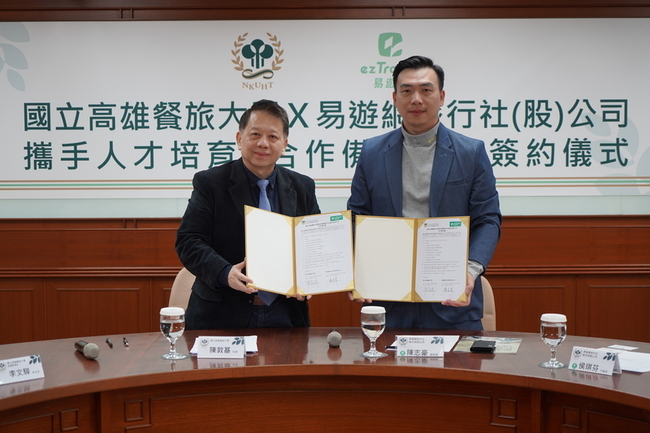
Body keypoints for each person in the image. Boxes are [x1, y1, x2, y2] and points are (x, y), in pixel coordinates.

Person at [347, 55, 501, 330]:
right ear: (395, 98)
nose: (416, 99)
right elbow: (358, 217)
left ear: (441, 97)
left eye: (426, 90)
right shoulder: (372, 152)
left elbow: (488, 219)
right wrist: (354, 269)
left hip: (452, 301)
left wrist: (471, 270)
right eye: (407, 91)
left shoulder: (471, 152)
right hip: (388, 300)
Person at [176, 99, 320, 329]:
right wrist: (225, 272)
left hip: (285, 313)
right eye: (255, 134)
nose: (263, 143)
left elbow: (314, 245)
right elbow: (189, 241)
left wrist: (310, 278)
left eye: (272, 137)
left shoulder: (302, 186)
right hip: (221, 314)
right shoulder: (210, 183)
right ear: (239, 139)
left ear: (284, 144)